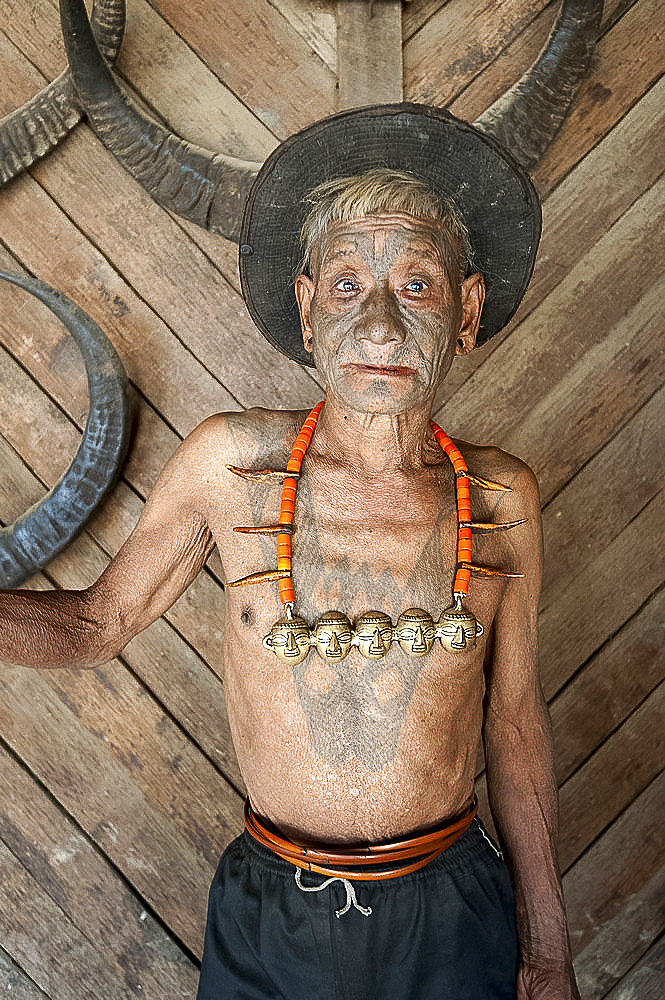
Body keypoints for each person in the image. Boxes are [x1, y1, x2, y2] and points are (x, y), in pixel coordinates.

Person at [0, 106, 578, 999]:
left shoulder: (501, 500)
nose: (379, 322)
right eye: (346, 286)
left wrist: (545, 947)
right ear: (307, 312)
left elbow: (513, 723)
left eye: (417, 287)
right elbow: (93, 623)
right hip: (271, 908)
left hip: (455, 907)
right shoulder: (229, 469)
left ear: (467, 312)